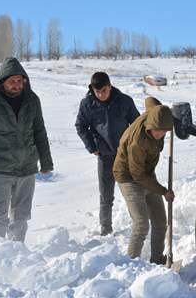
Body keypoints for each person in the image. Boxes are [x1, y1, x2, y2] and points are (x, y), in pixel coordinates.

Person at [0, 57, 53, 247]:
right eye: (12, 81)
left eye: (20, 81)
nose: (16, 85)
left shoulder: (32, 100)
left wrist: (46, 163)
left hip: (27, 168)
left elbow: (40, 132)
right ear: (2, 81)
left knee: (21, 216)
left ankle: (15, 255)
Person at [75, 72, 140, 235]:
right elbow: (81, 126)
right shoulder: (87, 104)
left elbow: (137, 125)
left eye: (103, 90)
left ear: (110, 86)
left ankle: (139, 225)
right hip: (104, 156)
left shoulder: (125, 101)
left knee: (133, 193)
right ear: (92, 89)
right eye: (97, 91)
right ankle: (106, 230)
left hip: (125, 156)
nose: (100, 94)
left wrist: (134, 147)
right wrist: (92, 146)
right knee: (106, 196)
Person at [113, 97, 175, 264]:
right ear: (150, 126)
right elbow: (137, 175)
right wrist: (163, 191)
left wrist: (170, 117)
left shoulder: (154, 116)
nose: (160, 134)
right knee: (141, 224)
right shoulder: (137, 142)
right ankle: (130, 266)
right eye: (157, 131)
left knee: (161, 221)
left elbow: (150, 101)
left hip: (146, 174)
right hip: (129, 177)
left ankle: (157, 260)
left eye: (164, 131)